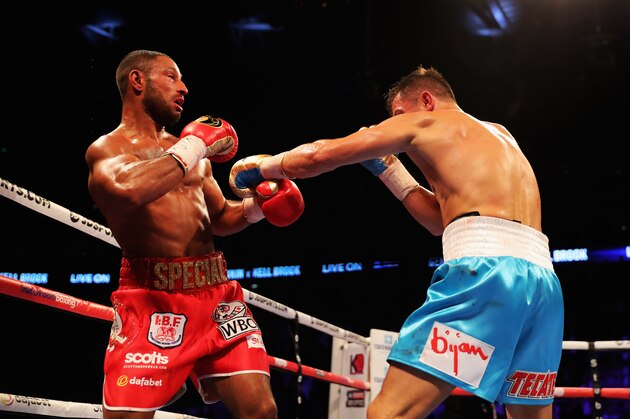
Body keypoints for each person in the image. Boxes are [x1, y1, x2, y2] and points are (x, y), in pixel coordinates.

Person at [229, 65, 564, 419]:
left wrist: (265, 167)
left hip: (485, 278)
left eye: (398, 116)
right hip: (543, 287)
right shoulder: (500, 134)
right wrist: (389, 168)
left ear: (426, 100)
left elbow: (318, 156)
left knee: (389, 415)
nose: (395, 127)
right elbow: (440, 222)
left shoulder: (425, 122)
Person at [86, 49, 304, 419]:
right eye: (171, 76)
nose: (184, 88)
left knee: (262, 412)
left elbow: (219, 216)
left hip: (217, 295)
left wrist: (258, 207)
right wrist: (195, 145)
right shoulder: (108, 150)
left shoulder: (189, 151)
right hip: (152, 299)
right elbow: (130, 191)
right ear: (137, 81)